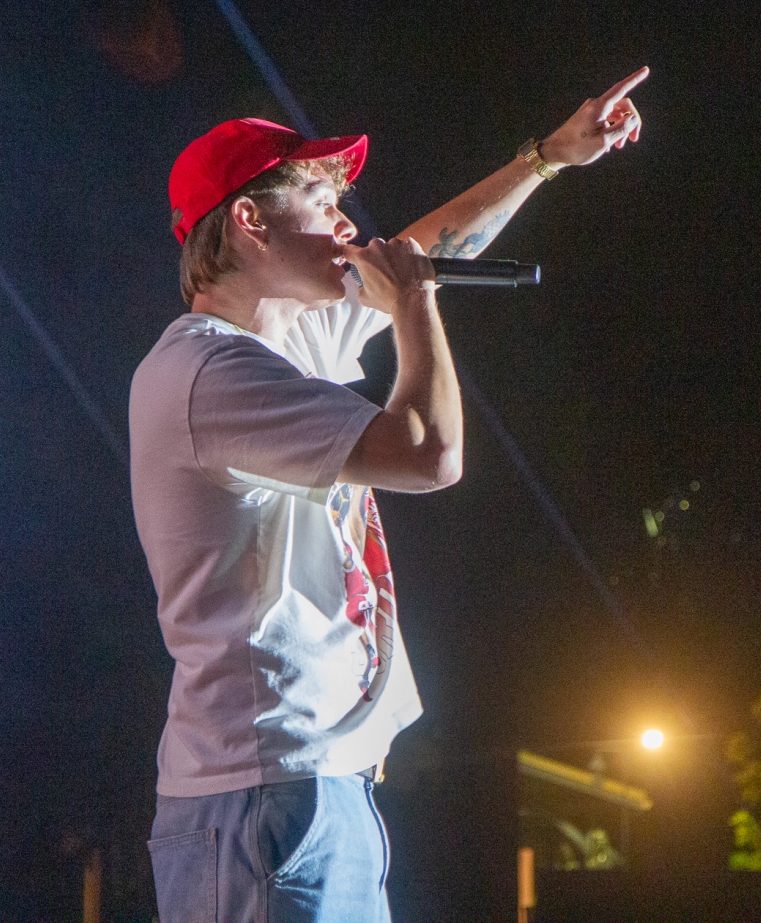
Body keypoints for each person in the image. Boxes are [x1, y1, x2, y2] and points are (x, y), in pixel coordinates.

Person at [131, 67, 648, 923]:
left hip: (309, 787)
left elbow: (433, 239)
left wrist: (549, 157)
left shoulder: (285, 344)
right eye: (322, 201)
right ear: (250, 222)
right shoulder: (206, 371)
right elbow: (430, 453)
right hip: (265, 793)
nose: (349, 224)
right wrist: (414, 301)